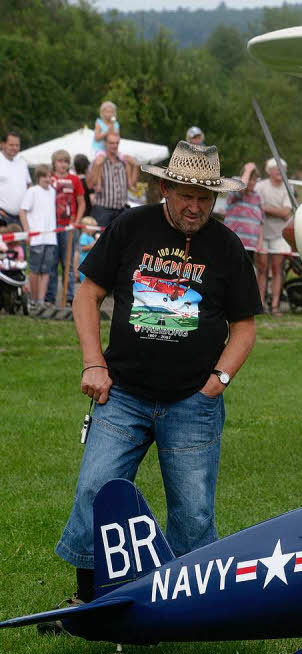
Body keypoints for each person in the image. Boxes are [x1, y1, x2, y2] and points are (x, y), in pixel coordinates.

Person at [48, 142, 261, 624]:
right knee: (96, 490)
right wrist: (91, 361)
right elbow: (88, 294)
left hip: (193, 401)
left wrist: (218, 380)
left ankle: (191, 607)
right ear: (165, 187)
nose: (195, 207)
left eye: (206, 198)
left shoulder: (226, 245)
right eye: (187, 194)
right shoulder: (131, 226)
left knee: (192, 512)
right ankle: (89, 601)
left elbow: (244, 325)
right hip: (122, 393)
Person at [45, 149, 86, 306]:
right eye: (60, 161)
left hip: (69, 227)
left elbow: (82, 202)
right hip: (51, 226)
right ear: (54, 163)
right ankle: (50, 296)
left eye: (65, 161)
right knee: (51, 262)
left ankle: (68, 297)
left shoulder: (74, 179)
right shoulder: (50, 179)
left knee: (68, 262)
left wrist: (77, 220)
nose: (63, 164)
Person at [253, 157, 292, 315]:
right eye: (275, 168)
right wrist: (276, 210)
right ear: (269, 171)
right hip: (261, 233)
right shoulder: (260, 186)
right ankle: (260, 304)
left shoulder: (287, 187)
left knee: (277, 269)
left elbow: (286, 212)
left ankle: (275, 305)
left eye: (281, 168)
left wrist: (266, 208)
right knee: (261, 269)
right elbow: (255, 207)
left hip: (279, 234)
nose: (278, 171)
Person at [19, 164, 57, 310]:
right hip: (37, 237)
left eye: (49, 176)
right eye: (45, 176)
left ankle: (41, 300)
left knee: (46, 271)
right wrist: (28, 231)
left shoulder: (53, 192)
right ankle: (33, 299)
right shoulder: (32, 191)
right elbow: (23, 211)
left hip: (50, 237)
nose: (48, 179)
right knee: (35, 270)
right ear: (38, 178)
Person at [86, 131, 138, 227]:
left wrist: (135, 166)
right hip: (103, 210)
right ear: (105, 143)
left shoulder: (124, 163)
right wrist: (97, 165)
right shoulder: (97, 161)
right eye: (111, 143)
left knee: (122, 240)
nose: (114, 146)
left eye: (117, 143)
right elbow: (89, 185)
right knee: (102, 240)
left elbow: (132, 186)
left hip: (122, 210)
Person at [223, 162, 263, 262]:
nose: (252, 182)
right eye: (250, 179)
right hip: (233, 243)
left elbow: (261, 222)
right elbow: (241, 188)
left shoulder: (257, 197)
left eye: (255, 180)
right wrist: (248, 170)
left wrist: (260, 243)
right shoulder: (234, 194)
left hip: (250, 246)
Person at [0, 131, 31, 231]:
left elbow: (29, 186)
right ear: (2, 144)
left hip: (22, 217)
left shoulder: (22, 162)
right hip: (3, 217)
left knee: (19, 247)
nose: (15, 148)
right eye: (11, 145)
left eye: (17, 145)